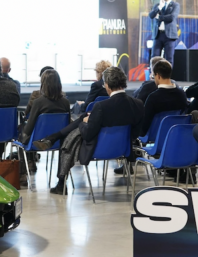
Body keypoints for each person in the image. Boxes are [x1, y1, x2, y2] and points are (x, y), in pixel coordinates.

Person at [33, 66, 143, 195]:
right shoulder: (138, 104)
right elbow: (136, 132)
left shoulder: (101, 107)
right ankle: (53, 137)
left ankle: (61, 182)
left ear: (107, 84)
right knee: (84, 117)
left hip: (98, 149)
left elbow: (87, 134)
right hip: (123, 149)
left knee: (70, 139)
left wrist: (85, 123)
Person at [19, 69, 71, 179]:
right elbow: (67, 126)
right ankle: (61, 179)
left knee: (21, 138)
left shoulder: (38, 102)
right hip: (59, 142)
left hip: (37, 142)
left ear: (43, 84)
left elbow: (28, 129)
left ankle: (23, 174)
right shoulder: (65, 103)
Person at [139, 60, 188, 136]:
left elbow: (143, 128)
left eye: (154, 76)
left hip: (154, 136)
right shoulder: (181, 94)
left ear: (158, 76)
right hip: (175, 134)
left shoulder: (153, 98)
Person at [149, 0, 180, 68]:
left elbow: (172, 17)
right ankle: (153, 74)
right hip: (158, 35)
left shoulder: (175, 5)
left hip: (169, 36)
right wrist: (159, 7)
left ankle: (167, 75)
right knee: (154, 57)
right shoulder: (158, 5)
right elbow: (151, 15)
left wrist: (159, 17)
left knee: (169, 58)